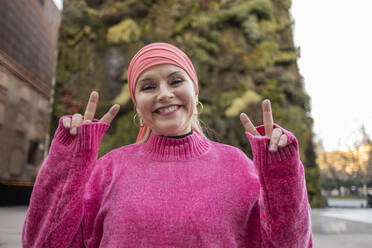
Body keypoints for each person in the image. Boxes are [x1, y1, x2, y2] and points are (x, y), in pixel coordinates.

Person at [22, 43, 312, 247]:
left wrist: (281, 173)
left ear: (194, 92)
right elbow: (44, 242)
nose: (164, 94)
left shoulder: (238, 167)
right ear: (138, 107)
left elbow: (290, 243)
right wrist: (70, 159)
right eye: (148, 86)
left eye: (175, 81)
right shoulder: (108, 170)